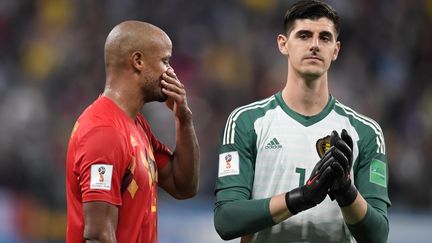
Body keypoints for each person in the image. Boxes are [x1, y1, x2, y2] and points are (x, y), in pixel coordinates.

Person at [213, 1, 390, 242]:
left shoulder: (365, 132)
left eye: (325, 38)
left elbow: (378, 235)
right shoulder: (247, 121)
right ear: (283, 44)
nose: (315, 45)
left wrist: (346, 190)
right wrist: (302, 197)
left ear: (336, 50)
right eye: (304, 36)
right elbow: (226, 220)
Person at [65, 20, 200, 243]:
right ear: (138, 61)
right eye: (165, 61)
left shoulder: (136, 125)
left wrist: (183, 119)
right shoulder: (103, 131)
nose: (171, 71)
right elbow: (98, 236)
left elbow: (182, 185)